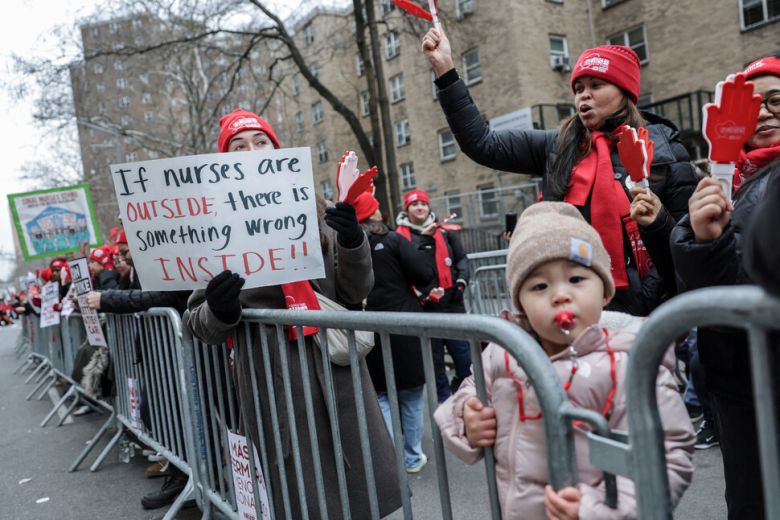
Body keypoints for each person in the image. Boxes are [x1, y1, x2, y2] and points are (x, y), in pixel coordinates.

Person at [187, 109, 401, 518]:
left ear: (276, 149)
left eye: (260, 142)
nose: (251, 152)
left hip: (334, 370)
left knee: (362, 491)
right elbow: (198, 323)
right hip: (272, 382)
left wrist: (353, 240)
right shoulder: (212, 226)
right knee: (301, 500)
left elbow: (356, 290)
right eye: (239, 146)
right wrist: (220, 307)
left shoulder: (313, 208)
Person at [435, 202, 694, 519]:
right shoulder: (503, 351)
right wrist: (467, 419)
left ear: (605, 293)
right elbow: (469, 392)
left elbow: (667, 454)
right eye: (539, 286)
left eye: (576, 280)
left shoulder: (631, 361)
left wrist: (596, 512)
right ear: (521, 303)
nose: (560, 295)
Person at [422, 30, 698, 317]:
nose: (584, 95)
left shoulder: (666, 150)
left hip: (648, 313)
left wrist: (648, 281)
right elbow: (482, 144)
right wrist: (445, 69)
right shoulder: (558, 145)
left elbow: (685, 242)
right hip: (572, 304)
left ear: (624, 92)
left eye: (596, 85)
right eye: (578, 88)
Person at [670, 55, 780, 519]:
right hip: (738, 382)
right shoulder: (731, 181)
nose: (767, 113)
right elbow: (717, 285)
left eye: (777, 100)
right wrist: (683, 232)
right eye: (755, 106)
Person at [355, 190, 436, 473]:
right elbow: (424, 274)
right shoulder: (392, 240)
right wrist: (425, 241)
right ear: (375, 212)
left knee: (381, 396)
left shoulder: (348, 247)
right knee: (411, 394)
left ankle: (391, 461)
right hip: (403, 326)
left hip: (368, 328)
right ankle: (412, 458)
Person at [396, 188, 472, 402]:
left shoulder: (446, 232)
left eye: (423, 203)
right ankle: (446, 402)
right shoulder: (401, 237)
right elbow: (403, 271)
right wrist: (422, 294)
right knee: (435, 360)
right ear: (407, 209)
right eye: (414, 204)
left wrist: (460, 283)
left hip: (452, 301)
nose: (420, 207)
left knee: (463, 355)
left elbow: (461, 260)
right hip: (425, 306)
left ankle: (466, 394)